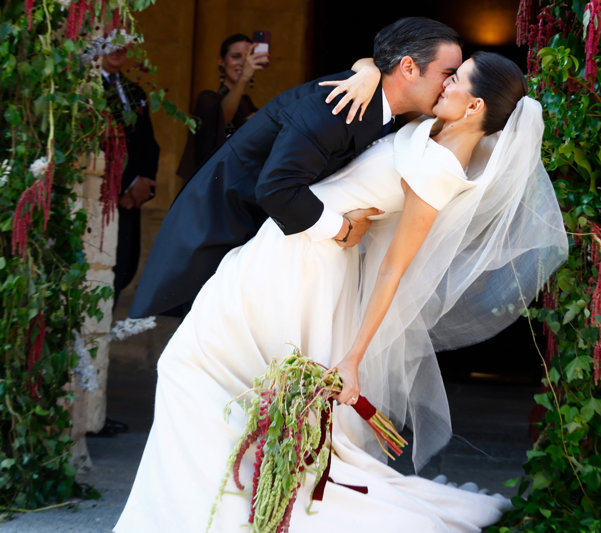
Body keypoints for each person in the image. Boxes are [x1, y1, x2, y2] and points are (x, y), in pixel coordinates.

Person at [114, 52, 568, 532]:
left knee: (195, 367)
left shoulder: (440, 172)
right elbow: (388, 66)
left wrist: (353, 358)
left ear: (474, 106)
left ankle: (206, 514)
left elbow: (394, 271)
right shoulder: (430, 129)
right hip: (288, 249)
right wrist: (368, 71)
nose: (444, 83)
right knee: (215, 376)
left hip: (305, 269)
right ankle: (198, 509)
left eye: (455, 78)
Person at [128, 17, 463, 318]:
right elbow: (277, 189)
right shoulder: (334, 108)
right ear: (408, 68)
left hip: (266, 241)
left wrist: (368, 68)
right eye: (448, 75)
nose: (450, 86)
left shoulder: (381, 109)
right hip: (219, 232)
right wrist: (342, 229)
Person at [100, 42, 160, 305]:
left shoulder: (134, 90)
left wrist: (142, 186)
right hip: (104, 197)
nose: (117, 48)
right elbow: (99, 146)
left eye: (123, 41)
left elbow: (150, 144)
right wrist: (125, 185)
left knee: (124, 265)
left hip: (130, 200)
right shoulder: (87, 89)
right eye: (109, 39)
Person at [176, 33, 268, 180]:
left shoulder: (248, 104)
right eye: (236, 56)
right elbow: (222, 119)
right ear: (221, 61)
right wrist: (243, 77)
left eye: (247, 57)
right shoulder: (207, 99)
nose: (243, 63)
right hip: (211, 183)